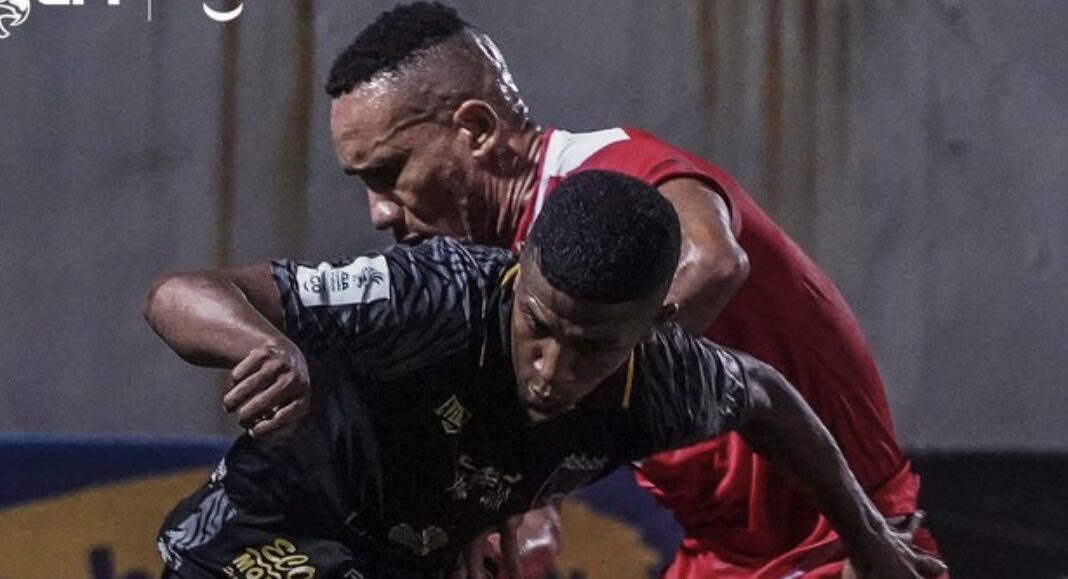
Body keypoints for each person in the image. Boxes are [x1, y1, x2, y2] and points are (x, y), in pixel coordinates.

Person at [321, 3, 944, 578]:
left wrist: (533, 457)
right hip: (719, 557)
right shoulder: (509, 276)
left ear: (477, 129)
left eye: (389, 172)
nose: (379, 212)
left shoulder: (606, 175)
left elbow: (713, 262)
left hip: (845, 544)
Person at [146, 171, 943, 579]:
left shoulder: (667, 379)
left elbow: (766, 396)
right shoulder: (435, 293)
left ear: (657, 325)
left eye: (592, 346)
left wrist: (867, 536)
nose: (552, 369)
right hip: (256, 542)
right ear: (520, 267)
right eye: (539, 325)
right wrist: (267, 345)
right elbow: (178, 294)